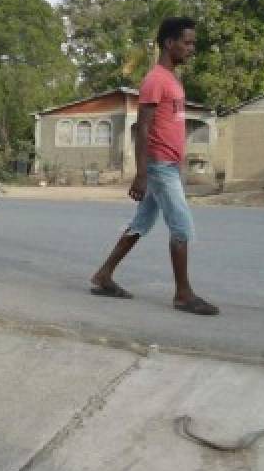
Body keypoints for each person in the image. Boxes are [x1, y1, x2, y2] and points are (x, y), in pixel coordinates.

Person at [90, 16, 219, 316]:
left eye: (192, 43)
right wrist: (141, 173)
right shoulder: (155, 80)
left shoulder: (172, 80)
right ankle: (183, 294)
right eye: (187, 43)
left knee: (140, 225)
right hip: (158, 166)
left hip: (168, 165)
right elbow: (143, 128)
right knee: (182, 228)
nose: (191, 48)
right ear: (169, 43)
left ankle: (103, 276)